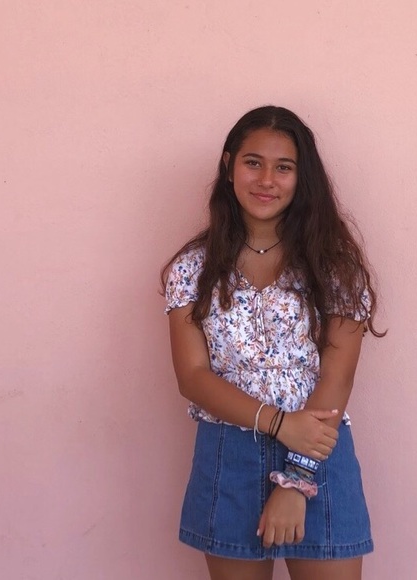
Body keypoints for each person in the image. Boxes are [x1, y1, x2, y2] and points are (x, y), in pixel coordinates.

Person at [161, 105, 384, 580]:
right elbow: (192, 377)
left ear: (302, 179)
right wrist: (279, 423)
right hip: (228, 455)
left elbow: (337, 376)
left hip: (318, 451)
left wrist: (297, 478)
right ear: (229, 166)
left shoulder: (335, 266)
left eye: (284, 167)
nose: (266, 180)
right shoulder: (192, 268)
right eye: (253, 162)